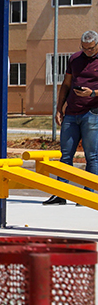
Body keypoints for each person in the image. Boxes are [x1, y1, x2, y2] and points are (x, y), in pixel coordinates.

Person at [44, 29, 98, 204]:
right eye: (84, 48)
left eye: (91, 49)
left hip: (92, 113)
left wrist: (92, 93)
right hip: (71, 113)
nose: (87, 52)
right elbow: (66, 84)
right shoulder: (75, 59)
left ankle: (88, 193)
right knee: (66, 154)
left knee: (92, 156)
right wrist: (59, 108)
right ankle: (61, 193)